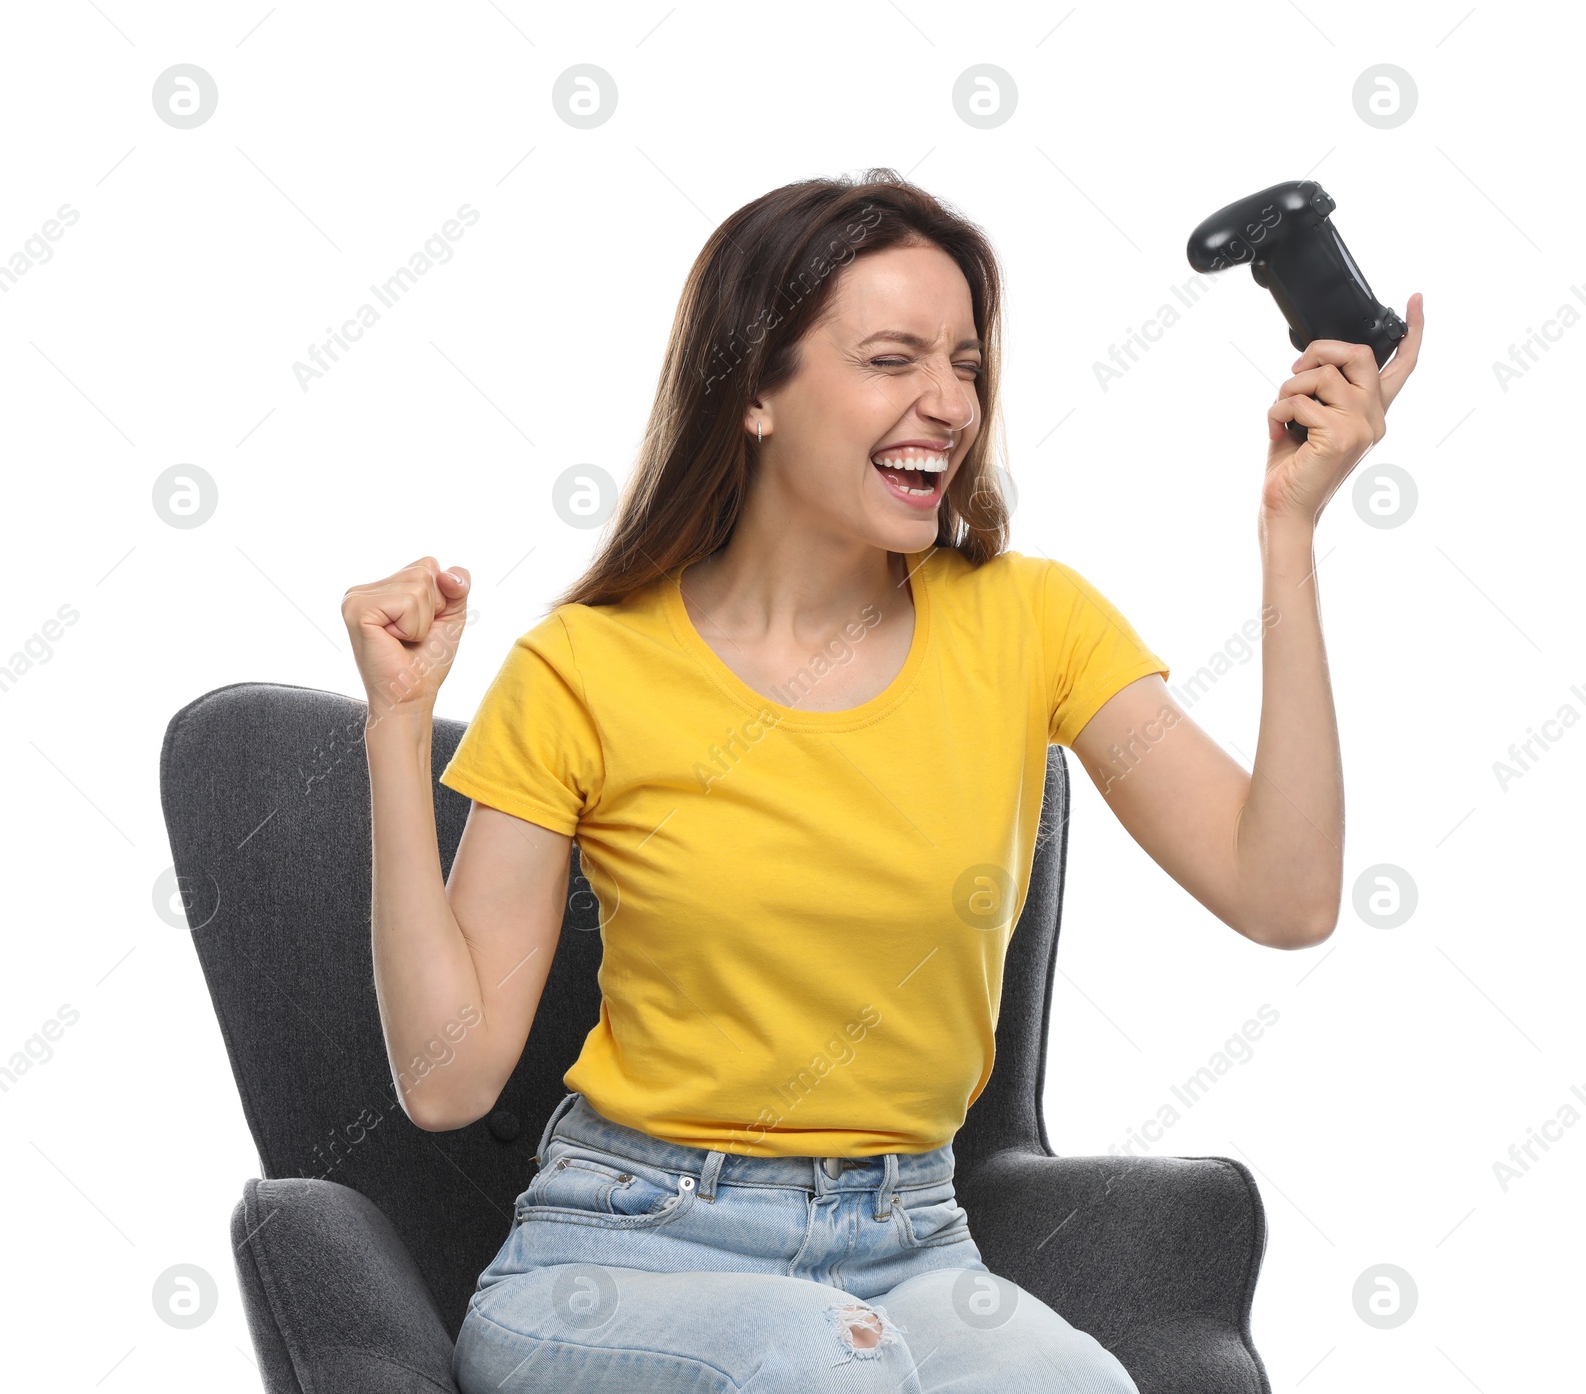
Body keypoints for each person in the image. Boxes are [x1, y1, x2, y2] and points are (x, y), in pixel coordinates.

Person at [341, 169, 1423, 1393]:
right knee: (820, 1363)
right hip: (625, 1251)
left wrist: (1290, 528)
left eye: (964, 362)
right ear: (752, 389)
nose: (947, 403)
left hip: (912, 1244)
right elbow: (447, 1077)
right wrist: (397, 725)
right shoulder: (588, 667)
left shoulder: (1028, 623)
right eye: (892, 358)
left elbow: (1283, 896)